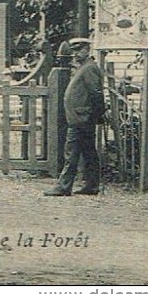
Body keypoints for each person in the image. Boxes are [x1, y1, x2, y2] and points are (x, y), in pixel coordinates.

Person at [45, 38, 105, 196]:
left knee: (71, 152)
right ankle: (92, 185)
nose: (76, 54)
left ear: (88, 50)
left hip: (82, 117)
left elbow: (96, 93)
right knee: (88, 152)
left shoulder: (89, 68)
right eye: (74, 51)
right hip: (80, 116)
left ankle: (64, 186)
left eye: (80, 50)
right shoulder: (83, 67)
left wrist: (98, 114)